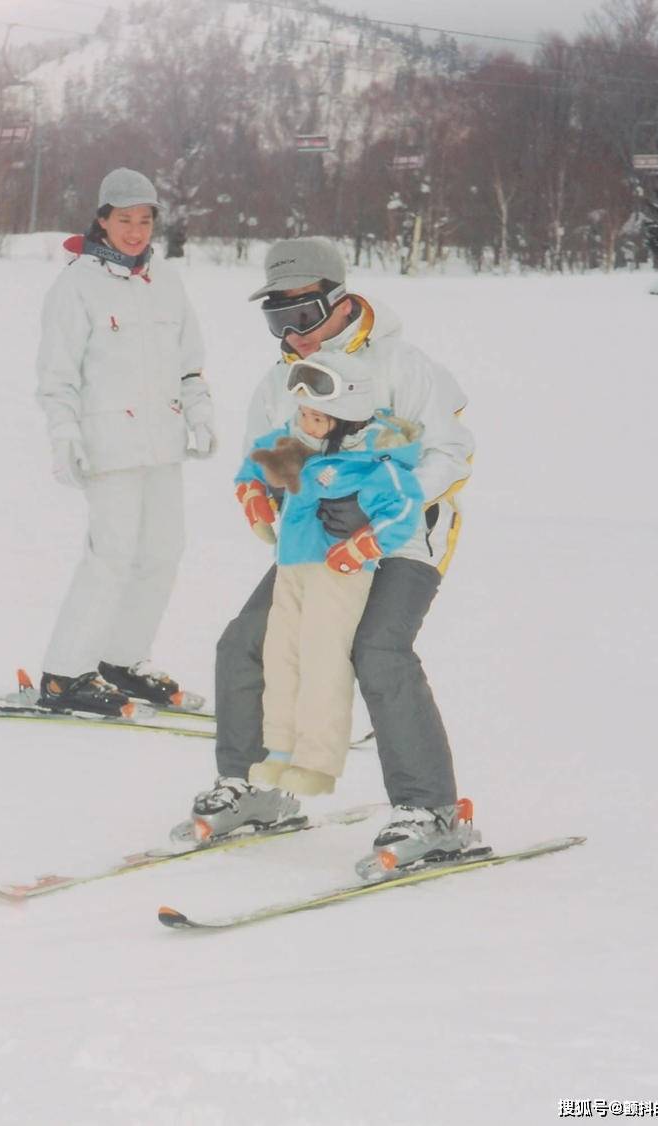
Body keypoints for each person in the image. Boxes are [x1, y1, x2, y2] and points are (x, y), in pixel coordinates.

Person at [182, 235, 475, 871]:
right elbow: (278, 450)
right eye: (277, 318)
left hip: (404, 534)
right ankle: (257, 785)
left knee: (377, 647)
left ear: (340, 303)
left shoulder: (403, 364)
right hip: (318, 542)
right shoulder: (280, 379)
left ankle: (432, 811)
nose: (293, 333)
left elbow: (450, 454)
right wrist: (260, 489)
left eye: (304, 315)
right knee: (245, 643)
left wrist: (379, 516)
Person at [35, 168, 215, 716]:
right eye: (124, 220)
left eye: (144, 220)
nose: (135, 231)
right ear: (102, 220)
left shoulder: (167, 281)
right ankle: (66, 673)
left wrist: (201, 415)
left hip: (162, 444)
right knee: (109, 557)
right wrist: (65, 435)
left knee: (162, 552)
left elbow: (191, 365)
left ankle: (121, 659)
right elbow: (56, 377)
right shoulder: (76, 286)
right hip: (108, 446)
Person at [223, 354, 424, 811]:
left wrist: (361, 547)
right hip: (293, 565)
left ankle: (317, 761)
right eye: (303, 414)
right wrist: (253, 495)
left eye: (316, 417)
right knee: (280, 656)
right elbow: (253, 465)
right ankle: (280, 751)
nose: (305, 424)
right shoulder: (295, 444)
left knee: (322, 659)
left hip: (337, 572)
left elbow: (404, 509)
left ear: (345, 419)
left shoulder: (372, 462)